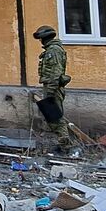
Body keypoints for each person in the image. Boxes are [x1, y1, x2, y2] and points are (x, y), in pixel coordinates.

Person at [33, 24, 77, 153]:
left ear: (45, 37)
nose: (40, 41)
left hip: (54, 87)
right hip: (51, 86)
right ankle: (63, 143)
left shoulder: (53, 50)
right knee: (52, 116)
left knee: (55, 117)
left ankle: (66, 146)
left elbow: (55, 73)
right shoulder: (52, 49)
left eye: (40, 38)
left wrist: (51, 91)